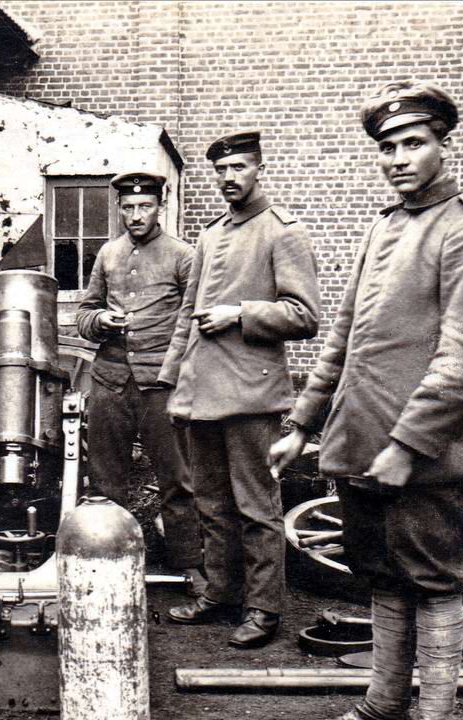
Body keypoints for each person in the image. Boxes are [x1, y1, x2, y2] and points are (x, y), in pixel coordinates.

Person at [270, 81, 463, 720]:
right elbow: (344, 336)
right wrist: (303, 423)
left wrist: (407, 446)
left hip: (423, 456)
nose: (399, 158)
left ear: (443, 147)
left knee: (433, 584)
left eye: (413, 143)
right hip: (360, 444)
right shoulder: (383, 229)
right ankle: (382, 711)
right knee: (382, 576)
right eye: (387, 147)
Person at [161, 131, 320, 648]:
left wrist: (240, 313)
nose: (229, 177)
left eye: (239, 167)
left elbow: (304, 316)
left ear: (259, 170)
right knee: (211, 503)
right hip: (202, 393)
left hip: (252, 395)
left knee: (256, 507)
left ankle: (264, 609)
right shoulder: (210, 235)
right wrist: (173, 381)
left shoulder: (283, 232)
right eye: (222, 169)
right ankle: (221, 593)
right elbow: (187, 313)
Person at [75, 171, 203, 583]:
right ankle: (109, 562)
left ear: (159, 206)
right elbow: (84, 313)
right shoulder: (108, 254)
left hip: (161, 384)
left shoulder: (182, 255)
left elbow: (194, 322)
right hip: (110, 381)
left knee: (176, 478)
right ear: (119, 208)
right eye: (128, 207)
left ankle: (188, 566)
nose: (136, 215)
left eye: (144, 206)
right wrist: (100, 320)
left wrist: (179, 377)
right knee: (104, 479)